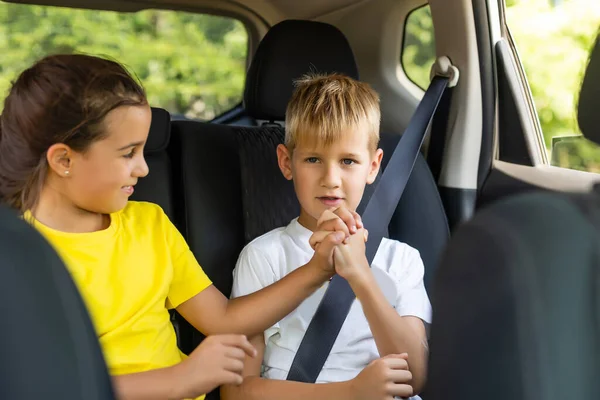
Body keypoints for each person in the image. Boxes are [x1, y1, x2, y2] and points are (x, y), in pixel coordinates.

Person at [0, 54, 362, 400]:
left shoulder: (149, 224)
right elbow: (43, 386)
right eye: (128, 153)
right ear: (64, 159)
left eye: (143, 152)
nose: (143, 168)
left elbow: (223, 319)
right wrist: (177, 380)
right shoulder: (17, 255)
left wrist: (316, 270)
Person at [224, 73, 432, 400]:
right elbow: (237, 392)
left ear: (374, 165)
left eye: (348, 161)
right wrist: (350, 392)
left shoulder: (402, 260)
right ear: (286, 162)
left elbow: (415, 377)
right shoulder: (264, 256)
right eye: (313, 159)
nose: (331, 179)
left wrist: (361, 275)